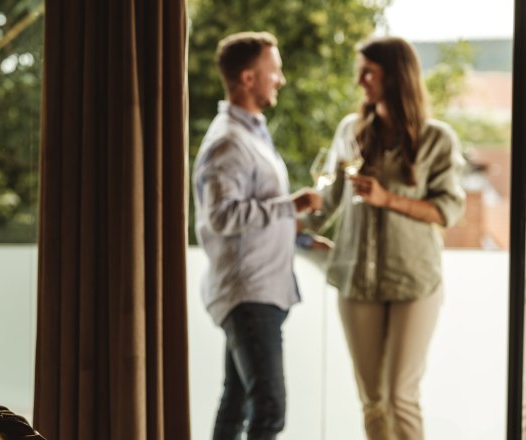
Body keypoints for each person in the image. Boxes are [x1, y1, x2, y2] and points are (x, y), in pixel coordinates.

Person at [300, 36, 466, 440]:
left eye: (368, 72)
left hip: (414, 282)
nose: (360, 81)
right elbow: (327, 204)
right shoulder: (350, 131)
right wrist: (284, 221)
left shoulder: (437, 139)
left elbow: (447, 210)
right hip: (357, 280)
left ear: (395, 76)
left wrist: (386, 198)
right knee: (373, 400)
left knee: (399, 396)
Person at [192, 31, 323, 440]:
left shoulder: (250, 134)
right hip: (249, 292)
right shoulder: (229, 141)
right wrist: (293, 205)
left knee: (236, 405)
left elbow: (256, 214)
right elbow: (222, 215)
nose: (280, 79)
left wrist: (302, 237)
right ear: (248, 78)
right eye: (274, 71)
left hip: (259, 289)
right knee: (269, 409)